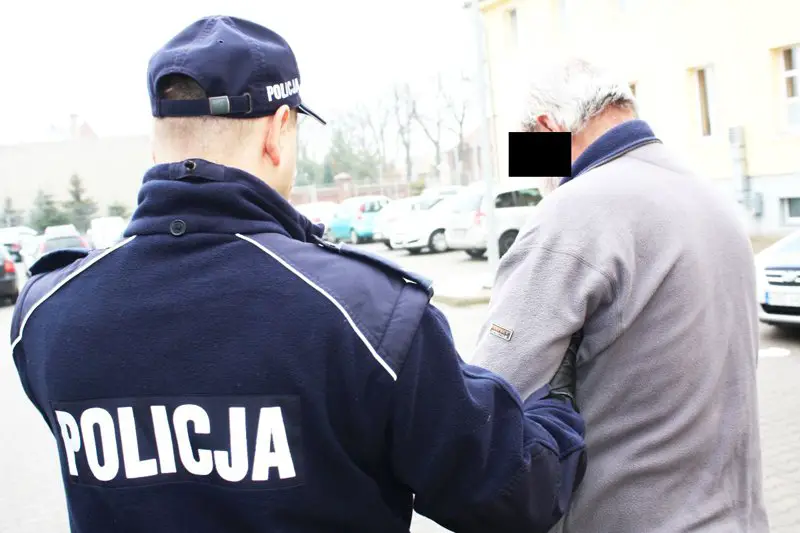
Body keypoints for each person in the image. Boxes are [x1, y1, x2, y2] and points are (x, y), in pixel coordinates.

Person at [9, 16, 587, 533]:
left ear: (158, 136)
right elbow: (513, 495)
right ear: (277, 130)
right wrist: (556, 404)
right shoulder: (367, 315)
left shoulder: (46, 312)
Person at [471, 55, 769, 532]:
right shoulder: (710, 198)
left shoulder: (575, 211)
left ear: (547, 129)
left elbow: (489, 397)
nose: (536, 179)